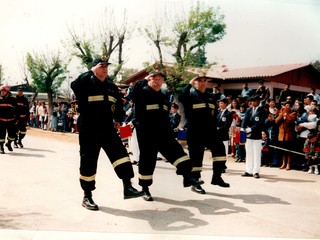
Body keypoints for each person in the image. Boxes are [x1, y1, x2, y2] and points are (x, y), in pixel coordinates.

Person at [70, 56, 144, 211]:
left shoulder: (111, 86)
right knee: (89, 161)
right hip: (89, 128)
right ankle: (87, 196)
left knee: (121, 156)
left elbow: (117, 104)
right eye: (101, 66)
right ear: (94, 68)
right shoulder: (85, 81)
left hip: (107, 127)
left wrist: (118, 118)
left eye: (106, 66)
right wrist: (90, 72)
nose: (104, 68)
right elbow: (74, 85)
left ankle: (128, 187)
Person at [130, 71, 204, 201]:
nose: (157, 81)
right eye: (154, 79)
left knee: (178, 153)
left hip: (163, 132)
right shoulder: (142, 92)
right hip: (146, 133)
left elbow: (165, 115)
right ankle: (145, 189)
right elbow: (133, 94)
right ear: (149, 80)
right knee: (148, 161)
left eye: (159, 79)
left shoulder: (164, 96)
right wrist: (143, 80)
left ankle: (187, 177)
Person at [179, 75, 230, 195]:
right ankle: (195, 182)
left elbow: (213, 114)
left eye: (204, 81)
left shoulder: (210, 96)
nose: (202, 83)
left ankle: (217, 177)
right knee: (196, 158)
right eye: (199, 81)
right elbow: (181, 97)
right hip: (195, 132)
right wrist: (189, 84)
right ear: (195, 83)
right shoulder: (190, 96)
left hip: (210, 131)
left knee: (220, 151)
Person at [241, 95, 267, 178]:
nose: (252, 102)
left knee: (256, 154)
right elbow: (245, 120)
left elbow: (260, 123)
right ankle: (248, 170)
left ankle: (256, 171)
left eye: (254, 101)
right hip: (248, 135)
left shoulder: (262, 110)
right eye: (251, 101)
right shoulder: (248, 110)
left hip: (256, 135)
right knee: (249, 153)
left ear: (258, 102)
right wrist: (243, 129)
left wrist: (251, 129)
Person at [275, 101, 297, 170]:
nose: (287, 107)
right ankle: (283, 163)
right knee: (283, 151)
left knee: (289, 151)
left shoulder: (293, 113)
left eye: (289, 106)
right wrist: (282, 114)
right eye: (286, 105)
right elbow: (277, 121)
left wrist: (286, 113)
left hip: (289, 135)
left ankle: (288, 164)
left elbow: (290, 120)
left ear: (290, 107)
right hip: (282, 135)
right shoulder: (281, 113)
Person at [0, 85, 17, 153]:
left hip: (11, 121)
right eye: (1, 91)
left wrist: (16, 119)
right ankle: (1, 147)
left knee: (12, 135)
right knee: (1, 135)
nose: (2, 92)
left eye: (4, 91)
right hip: (1, 121)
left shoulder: (12, 99)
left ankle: (9, 143)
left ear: (7, 92)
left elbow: (16, 110)